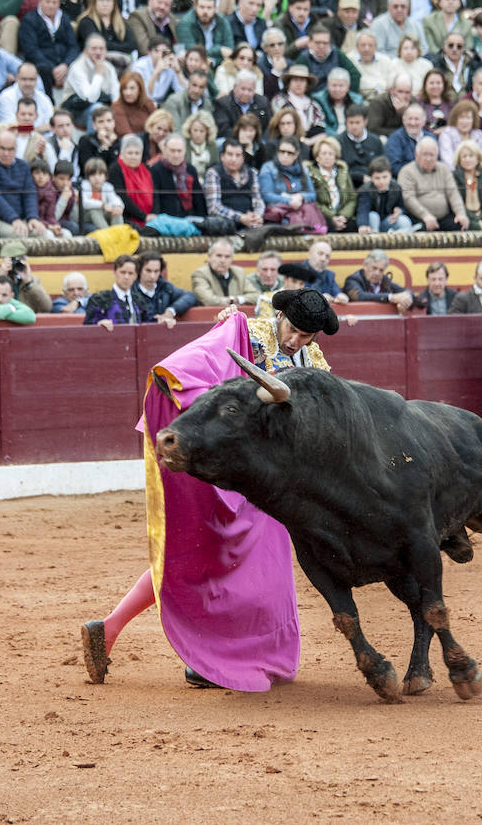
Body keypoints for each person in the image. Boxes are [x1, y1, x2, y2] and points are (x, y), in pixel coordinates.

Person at [81, 288, 336, 689]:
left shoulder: (315, 363)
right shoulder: (243, 332)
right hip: (224, 471)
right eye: (292, 330)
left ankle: (113, 627)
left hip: (266, 480)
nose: (295, 341)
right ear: (280, 314)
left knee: (226, 560)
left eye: (306, 336)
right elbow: (188, 368)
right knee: (235, 561)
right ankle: (213, 659)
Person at [132, 251, 198, 327]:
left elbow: (190, 297)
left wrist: (170, 311)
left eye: (156, 271)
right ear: (139, 270)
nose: (152, 276)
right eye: (148, 271)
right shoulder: (131, 289)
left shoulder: (164, 286)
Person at [344, 249, 413, 313]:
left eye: (381, 270)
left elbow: (408, 292)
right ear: (365, 265)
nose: (377, 273)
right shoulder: (353, 280)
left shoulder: (385, 281)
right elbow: (360, 296)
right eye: (374, 268)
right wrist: (391, 297)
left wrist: (406, 299)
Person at [190, 238, 246, 306]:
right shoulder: (200, 274)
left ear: (232, 259)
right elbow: (209, 300)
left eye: (227, 256)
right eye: (219, 256)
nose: (223, 260)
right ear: (209, 256)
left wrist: (236, 299)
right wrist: (233, 303)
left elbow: (256, 296)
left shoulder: (239, 272)